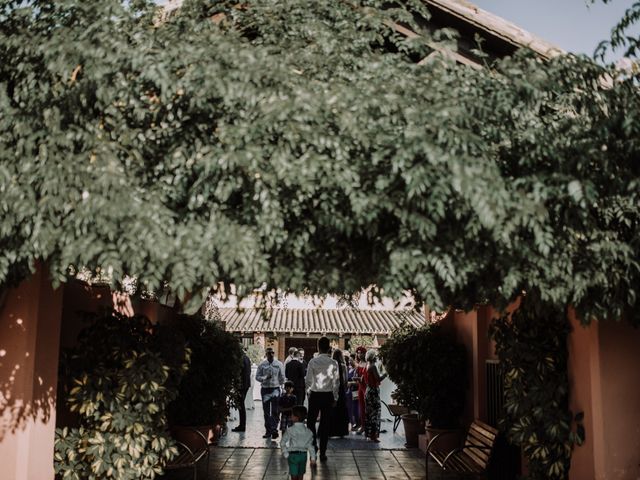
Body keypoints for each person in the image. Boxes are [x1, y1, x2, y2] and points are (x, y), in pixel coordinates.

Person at [305, 336, 339, 462]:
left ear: (318, 347)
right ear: (329, 347)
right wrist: (335, 397)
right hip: (328, 395)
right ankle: (323, 453)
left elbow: (308, 380)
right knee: (325, 424)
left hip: (315, 394)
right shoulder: (333, 363)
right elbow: (336, 382)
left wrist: (308, 393)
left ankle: (314, 444)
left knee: (310, 423)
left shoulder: (313, 362)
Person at [255, 346, 285, 439]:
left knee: (275, 411)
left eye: (272, 353)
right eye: (269, 353)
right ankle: (268, 431)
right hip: (265, 389)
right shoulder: (262, 364)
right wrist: (264, 378)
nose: (271, 355)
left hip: (275, 389)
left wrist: (282, 387)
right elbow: (257, 376)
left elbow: (282, 377)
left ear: (274, 354)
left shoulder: (279, 364)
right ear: (266, 354)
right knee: (266, 412)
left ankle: (274, 429)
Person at [281, 405, 317, 480]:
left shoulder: (290, 430)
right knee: (301, 475)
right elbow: (311, 446)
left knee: (294, 476)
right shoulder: (309, 431)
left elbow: (282, 442)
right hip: (303, 456)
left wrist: (286, 453)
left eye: (292, 415)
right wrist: (313, 458)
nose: (291, 416)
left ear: (295, 418)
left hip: (293, 456)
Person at [364, 349, 387, 442]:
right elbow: (378, 379)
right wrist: (385, 374)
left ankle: (368, 434)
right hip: (373, 391)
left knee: (369, 413)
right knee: (375, 413)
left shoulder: (367, 365)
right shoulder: (373, 366)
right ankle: (374, 436)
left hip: (368, 390)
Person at [328, 349, 350, 437]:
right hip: (341, 391)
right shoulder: (343, 366)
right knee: (342, 411)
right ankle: (341, 432)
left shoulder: (331, 365)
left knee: (332, 411)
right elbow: (345, 380)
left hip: (331, 390)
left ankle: (331, 431)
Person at [232, 348, 252, 432]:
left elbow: (238, 372)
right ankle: (242, 425)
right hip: (246, 384)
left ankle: (242, 425)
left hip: (241, 385)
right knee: (241, 404)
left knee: (241, 405)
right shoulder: (247, 358)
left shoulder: (240, 359)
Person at [354, 346, 368, 434]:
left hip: (365, 387)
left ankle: (367, 427)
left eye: (361, 353)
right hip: (360, 387)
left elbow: (364, 378)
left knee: (367, 407)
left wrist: (356, 378)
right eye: (358, 353)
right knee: (361, 407)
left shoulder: (367, 363)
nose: (359, 354)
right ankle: (363, 426)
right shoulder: (359, 363)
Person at [346, 354, 360, 430]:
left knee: (355, 408)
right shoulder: (349, 368)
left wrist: (351, 383)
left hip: (355, 391)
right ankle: (352, 423)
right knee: (349, 408)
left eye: (351, 360)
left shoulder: (356, 369)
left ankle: (356, 423)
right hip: (349, 391)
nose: (349, 361)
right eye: (349, 360)